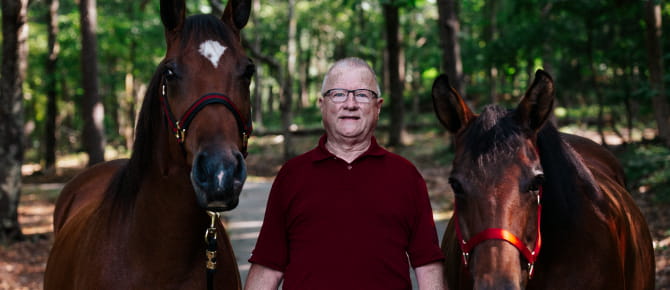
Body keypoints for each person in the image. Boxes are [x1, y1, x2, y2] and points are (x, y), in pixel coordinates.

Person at [245, 57, 445, 290]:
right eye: (338, 94)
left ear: (377, 107)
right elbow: (269, 265)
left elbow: (428, 264)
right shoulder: (292, 176)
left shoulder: (406, 177)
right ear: (322, 104)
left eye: (362, 94)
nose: (350, 104)